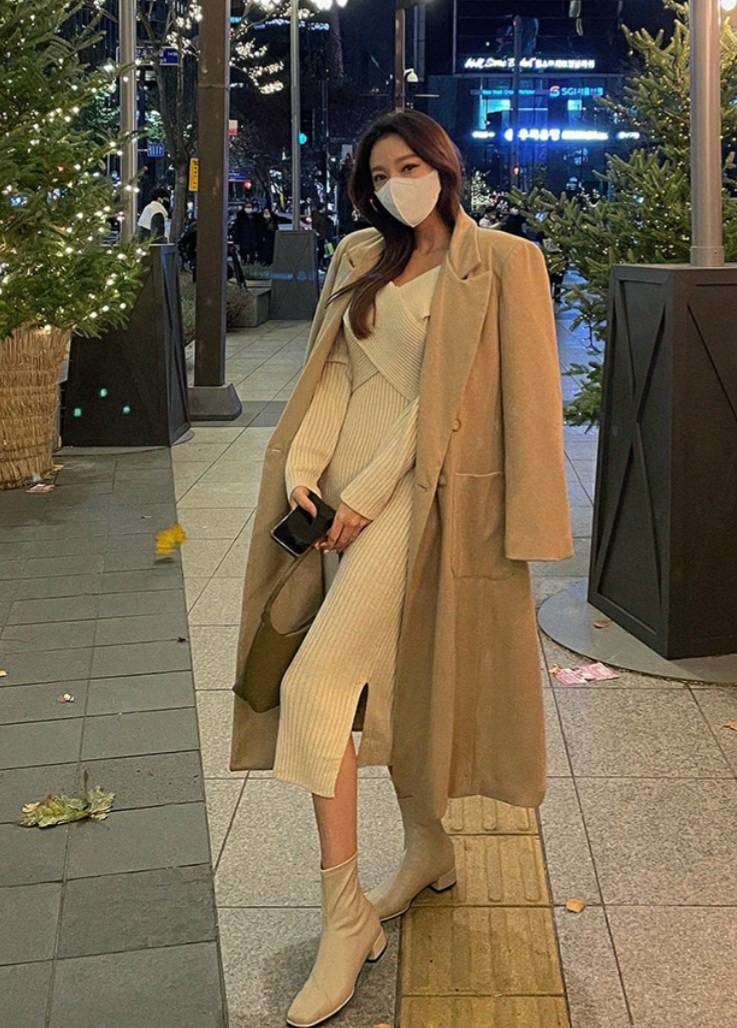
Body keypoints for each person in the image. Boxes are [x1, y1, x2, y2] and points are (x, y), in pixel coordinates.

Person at [229, 110, 573, 1027]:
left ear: (443, 165)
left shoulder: (499, 261)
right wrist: (305, 471)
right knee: (395, 684)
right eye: (379, 174)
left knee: (316, 685)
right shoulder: (359, 255)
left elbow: (457, 401)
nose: (395, 185)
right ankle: (427, 848)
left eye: (409, 166)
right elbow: (334, 371)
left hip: (422, 503)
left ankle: (346, 921)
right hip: (335, 501)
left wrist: (373, 494)